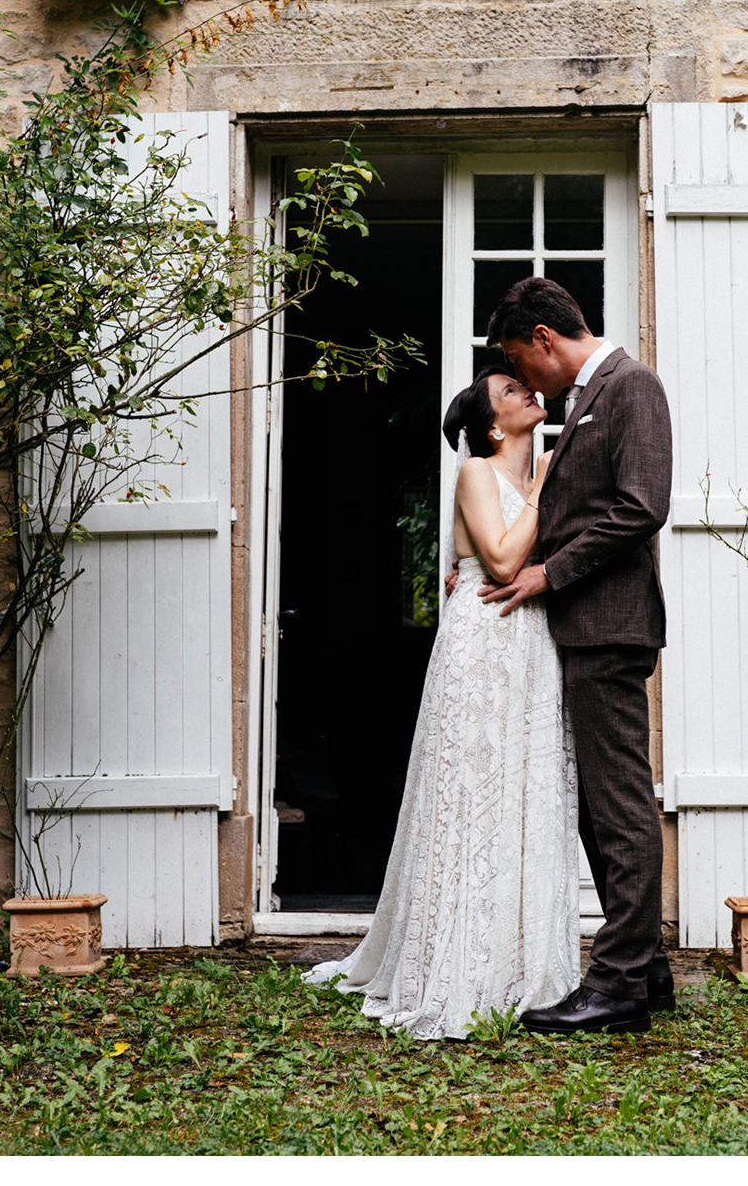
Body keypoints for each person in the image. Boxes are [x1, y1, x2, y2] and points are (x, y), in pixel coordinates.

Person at [304, 366, 582, 1039]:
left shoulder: (550, 461)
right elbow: (503, 561)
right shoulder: (477, 474)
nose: (525, 392)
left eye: (523, 385)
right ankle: (456, 960)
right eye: (509, 392)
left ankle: (523, 963)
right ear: (490, 425)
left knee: (524, 787)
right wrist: (544, 492)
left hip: (534, 643)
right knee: (468, 790)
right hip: (481, 641)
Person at [482, 275, 674, 1036]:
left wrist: (549, 572)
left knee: (618, 806)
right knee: (600, 807)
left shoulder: (632, 387)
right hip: (583, 627)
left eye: (519, 363)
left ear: (543, 341)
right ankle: (646, 970)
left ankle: (620, 983)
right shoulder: (588, 399)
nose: (524, 379)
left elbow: (640, 505)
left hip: (609, 625)